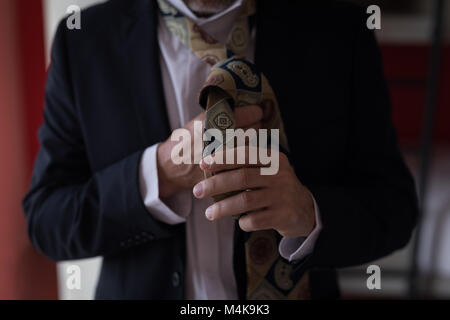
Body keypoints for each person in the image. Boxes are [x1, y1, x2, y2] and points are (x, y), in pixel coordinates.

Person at [23, 0, 418, 299]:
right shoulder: (85, 41)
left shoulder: (340, 29)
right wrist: (159, 172)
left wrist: (308, 213)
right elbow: (47, 220)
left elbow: (395, 209)